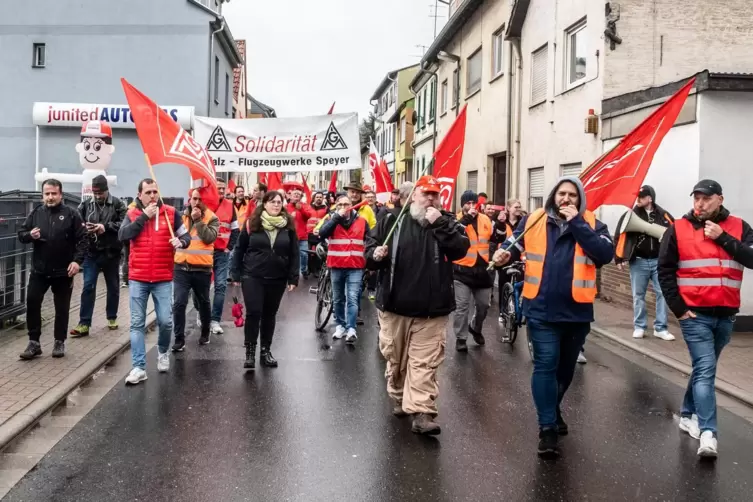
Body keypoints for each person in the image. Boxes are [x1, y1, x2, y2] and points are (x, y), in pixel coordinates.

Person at [492, 176, 614, 458]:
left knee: (565, 370)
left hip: (576, 312)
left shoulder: (593, 223)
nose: (566, 199)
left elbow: (604, 254)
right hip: (540, 308)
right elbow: (513, 245)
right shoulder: (534, 220)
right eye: (561, 194)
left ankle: (552, 408)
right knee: (545, 365)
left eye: (572, 195)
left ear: (580, 200)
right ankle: (547, 428)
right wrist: (502, 254)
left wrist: (578, 224)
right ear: (553, 196)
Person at [366, 175, 470, 435]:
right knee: (396, 359)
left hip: (432, 311)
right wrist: (374, 255)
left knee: (424, 363)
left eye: (435, 194)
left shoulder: (448, 222)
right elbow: (370, 251)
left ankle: (422, 412)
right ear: (414, 196)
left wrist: (440, 224)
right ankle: (400, 396)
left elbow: (460, 249)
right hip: (394, 307)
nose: (431, 198)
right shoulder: (391, 220)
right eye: (426, 194)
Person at [658, 179, 753, 458]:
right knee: (706, 368)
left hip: (726, 315)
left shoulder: (739, 227)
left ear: (719, 200)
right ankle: (709, 433)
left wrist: (722, 237)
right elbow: (665, 271)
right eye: (696, 198)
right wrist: (679, 310)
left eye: (706, 198)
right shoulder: (677, 229)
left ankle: (688, 414)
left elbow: (751, 259)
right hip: (694, 315)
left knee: (703, 369)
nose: (699, 203)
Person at [119, 179, 190, 385]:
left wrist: (181, 242)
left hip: (162, 277)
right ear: (139, 194)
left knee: (166, 321)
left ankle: (162, 351)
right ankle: (139, 367)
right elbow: (123, 235)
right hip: (138, 278)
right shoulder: (132, 213)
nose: (152, 196)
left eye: (155, 191)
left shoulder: (170, 213)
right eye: (148, 192)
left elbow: (186, 237)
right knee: (136, 323)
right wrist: (143, 217)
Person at [18, 179, 87, 360]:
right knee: (32, 302)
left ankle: (59, 341)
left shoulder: (72, 214)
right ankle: (34, 342)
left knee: (61, 308)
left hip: (63, 271)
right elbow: (21, 234)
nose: (50, 197)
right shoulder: (36, 213)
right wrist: (29, 235)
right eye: (47, 194)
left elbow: (83, 240)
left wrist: (77, 262)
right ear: (42, 196)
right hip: (39, 270)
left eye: (53, 193)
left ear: (60, 195)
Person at [233, 191, 299, 369]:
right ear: (264, 204)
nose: (276, 205)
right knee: (254, 312)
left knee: (269, 315)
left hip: (277, 277)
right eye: (272, 202)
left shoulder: (288, 226)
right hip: (253, 275)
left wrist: (293, 277)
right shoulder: (252, 224)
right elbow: (239, 249)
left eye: (279, 202)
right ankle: (250, 352)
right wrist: (235, 273)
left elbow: (294, 253)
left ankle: (265, 351)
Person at [614, 185, 675, 340]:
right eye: (637, 196)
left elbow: (674, 234)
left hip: (658, 262)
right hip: (638, 262)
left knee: (662, 293)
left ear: (650, 198)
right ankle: (639, 326)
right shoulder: (631, 214)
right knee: (638, 295)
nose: (638, 199)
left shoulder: (663, 215)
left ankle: (660, 328)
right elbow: (619, 235)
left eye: (641, 196)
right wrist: (619, 257)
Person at [70, 175, 126, 337]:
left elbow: (124, 224)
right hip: (91, 252)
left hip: (111, 252)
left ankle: (112, 317)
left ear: (106, 190)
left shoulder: (117, 204)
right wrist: (84, 227)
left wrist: (105, 227)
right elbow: (76, 221)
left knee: (113, 287)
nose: (98, 196)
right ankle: (84, 323)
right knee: (88, 286)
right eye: (95, 193)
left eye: (100, 193)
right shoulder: (86, 205)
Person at [318, 194, 370, 343]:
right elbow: (322, 234)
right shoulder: (331, 220)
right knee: (338, 298)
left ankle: (351, 328)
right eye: (339, 205)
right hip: (336, 265)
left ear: (351, 205)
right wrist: (335, 219)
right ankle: (340, 325)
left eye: (346, 204)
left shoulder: (362, 221)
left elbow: (369, 240)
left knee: (352, 298)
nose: (343, 207)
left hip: (355, 266)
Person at [172, 189, 219, 351]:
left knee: (203, 301)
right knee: (179, 303)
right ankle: (179, 339)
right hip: (181, 268)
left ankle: (205, 332)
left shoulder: (212, 218)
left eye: (199, 199)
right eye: (194, 198)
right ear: (189, 200)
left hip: (201, 268)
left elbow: (209, 238)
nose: (196, 202)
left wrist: (198, 221)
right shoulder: (180, 217)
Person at [452, 190, 494, 352]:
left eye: (473, 203)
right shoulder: (456, 219)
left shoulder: (485, 219)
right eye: (467, 203)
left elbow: (494, 238)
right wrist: (466, 219)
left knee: (483, 305)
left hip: (482, 270)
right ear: (462, 205)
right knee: (462, 306)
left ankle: (475, 327)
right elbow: (454, 234)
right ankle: (461, 338)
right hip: (462, 270)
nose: (471, 206)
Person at [198, 178, 239, 335]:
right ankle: (201, 314)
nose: (221, 191)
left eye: (223, 189)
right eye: (218, 188)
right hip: (204, 252)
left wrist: (230, 247)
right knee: (201, 287)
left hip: (222, 253)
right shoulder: (204, 204)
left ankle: (215, 320)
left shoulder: (230, 206)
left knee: (220, 286)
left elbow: (235, 229)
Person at [284, 182, 314, 279]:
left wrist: (301, 209)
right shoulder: (285, 207)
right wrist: (289, 217)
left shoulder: (304, 205)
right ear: (290, 196)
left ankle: (304, 270)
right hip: (289, 236)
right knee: (289, 255)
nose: (296, 196)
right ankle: (290, 273)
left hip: (302, 236)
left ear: (301, 197)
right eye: (294, 194)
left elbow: (309, 216)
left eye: (298, 194)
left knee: (304, 254)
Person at [306, 191, 329, 277]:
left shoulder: (326, 209)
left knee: (318, 253)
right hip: (308, 233)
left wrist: (322, 222)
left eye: (320, 197)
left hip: (319, 233)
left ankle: (316, 269)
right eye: (317, 197)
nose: (319, 198)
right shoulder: (308, 207)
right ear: (314, 198)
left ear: (323, 198)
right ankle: (309, 269)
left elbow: (328, 220)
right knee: (307, 252)